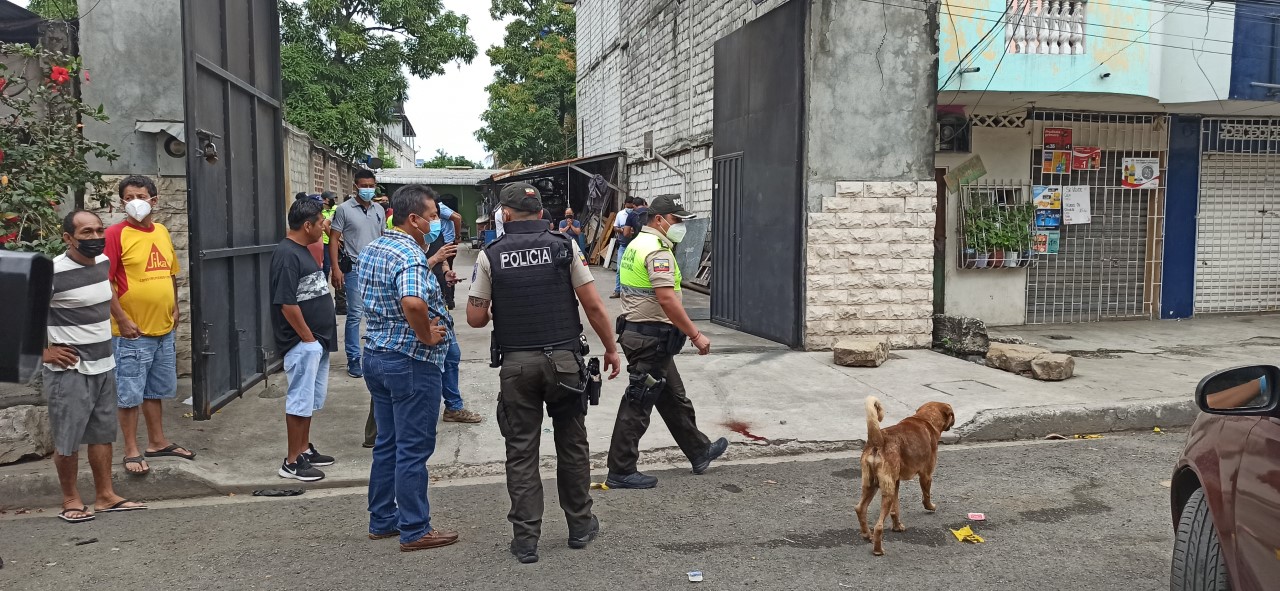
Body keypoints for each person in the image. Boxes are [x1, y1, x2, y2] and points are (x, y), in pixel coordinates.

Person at [466, 182, 622, 564]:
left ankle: (526, 541)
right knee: (572, 443)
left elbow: (473, 317)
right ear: (540, 213)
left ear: (505, 213)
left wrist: (497, 304)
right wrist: (612, 348)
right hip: (565, 362)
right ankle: (580, 526)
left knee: (521, 452)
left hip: (517, 365)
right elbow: (594, 307)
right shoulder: (563, 246)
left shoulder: (491, 255)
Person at [359, 184, 459, 552]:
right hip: (410, 361)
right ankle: (415, 528)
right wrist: (428, 337)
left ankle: (382, 520)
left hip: (377, 356)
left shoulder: (374, 248)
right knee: (413, 448)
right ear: (414, 219)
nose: (435, 224)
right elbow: (413, 302)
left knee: (388, 442)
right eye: (432, 217)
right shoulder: (410, 255)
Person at [606, 194, 727, 489]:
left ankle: (698, 451)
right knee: (638, 402)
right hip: (650, 338)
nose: (680, 226)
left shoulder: (635, 244)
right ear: (659, 219)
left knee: (673, 396)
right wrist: (695, 335)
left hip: (642, 335)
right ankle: (621, 470)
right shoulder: (657, 250)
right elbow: (666, 299)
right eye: (676, 220)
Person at [44, 210, 148, 523]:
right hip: (70, 370)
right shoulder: (51, 272)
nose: (95, 238)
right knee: (67, 438)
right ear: (68, 238)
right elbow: (18, 314)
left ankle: (105, 496)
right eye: (86, 233)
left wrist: (122, 318)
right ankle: (71, 499)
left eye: (98, 231)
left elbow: (107, 290)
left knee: (102, 435)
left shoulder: (102, 262)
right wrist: (43, 352)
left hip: (105, 363)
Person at [105, 175, 194, 476]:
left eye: (139, 196)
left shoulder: (162, 231)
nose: (134, 203)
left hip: (163, 327)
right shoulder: (115, 235)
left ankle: (157, 442)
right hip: (132, 331)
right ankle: (131, 448)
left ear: (154, 201)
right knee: (129, 393)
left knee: (154, 390)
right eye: (128, 198)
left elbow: (170, 272)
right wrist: (122, 318)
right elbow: (105, 283)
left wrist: (176, 307)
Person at [271, 198, 338, 482]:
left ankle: (304, 449)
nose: (325, 224)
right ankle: (291, 461)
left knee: (309, 398)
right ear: (307, 225)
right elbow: (286, 303)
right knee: (299, 399)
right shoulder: (287, 254)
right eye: (321, 220)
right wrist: (307, 338)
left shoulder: (302, 250)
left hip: (316, 341)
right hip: (303, 343)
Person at [329, 169, 387, 379]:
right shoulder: (344, 209)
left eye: (371, 186)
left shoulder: (379, 209)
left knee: (378, 312)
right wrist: (335, 268)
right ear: (355, 187)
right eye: (364, 186)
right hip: (354, 267)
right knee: (355, 314)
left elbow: (382, 238)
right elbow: (334, 238)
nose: (368, 189)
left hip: (377, 268)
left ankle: (378, 354)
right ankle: (354, 358)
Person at [610, 197, 638, 298]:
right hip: (623, 245)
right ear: (625, 204)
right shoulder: (620, 214)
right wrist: (622, 230)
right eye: (628, 206)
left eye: (631, 207)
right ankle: (618, 290)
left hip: (634, 246)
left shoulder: (636, 215)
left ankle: (632, 291)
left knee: (633, 269)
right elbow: (615, 227)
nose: (630, 208)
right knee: (619, 269)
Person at [321, 192, 338, 280]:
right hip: (323, 241)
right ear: (325, 200)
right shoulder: (320, 210)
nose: (334, 200)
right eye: (331, 199)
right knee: (324, 267)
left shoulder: (337, 209)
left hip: (334, 241)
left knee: (331, 266)